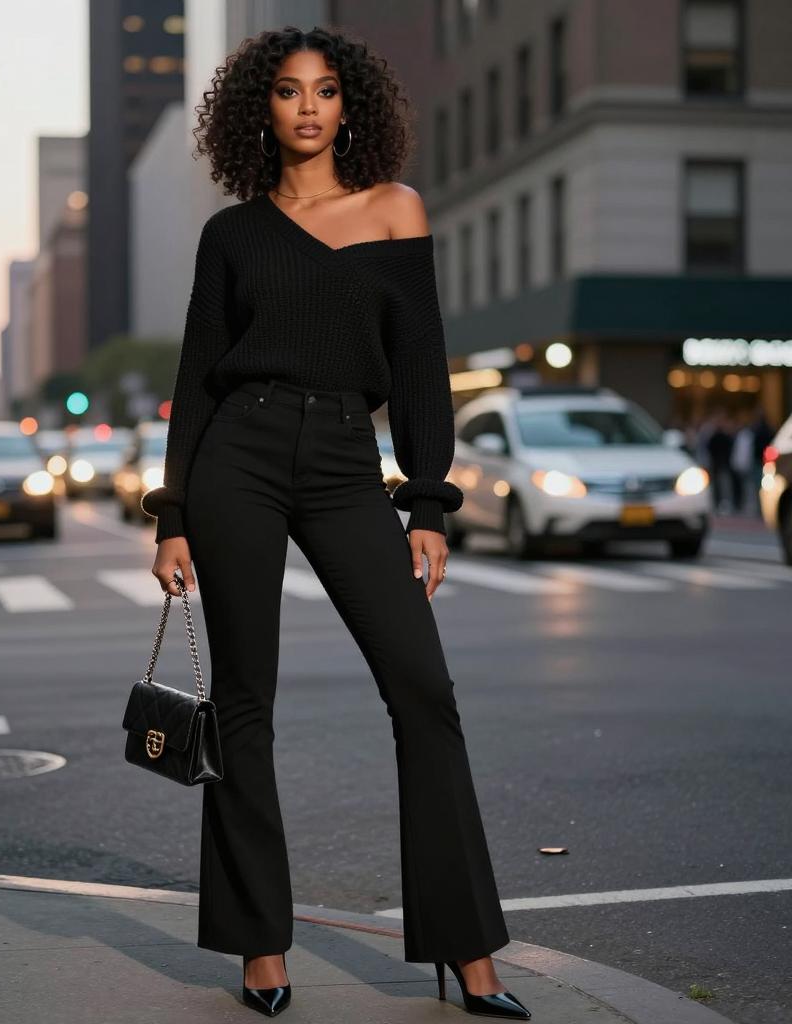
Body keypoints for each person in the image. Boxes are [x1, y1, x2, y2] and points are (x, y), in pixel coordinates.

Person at [140, 29, 530, 1021]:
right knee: (244, 704)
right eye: (285, 91)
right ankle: (259, 945)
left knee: (423, 690)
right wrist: (173, 512)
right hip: (241, 454)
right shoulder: (230, 237)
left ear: (348, 105)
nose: (306, 107)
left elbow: (419, 368)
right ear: (257, 111)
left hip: (349, 462)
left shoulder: (394, 211)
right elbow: (195, 378)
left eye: (323, 91)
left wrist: (429, 499)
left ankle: (467, 952)